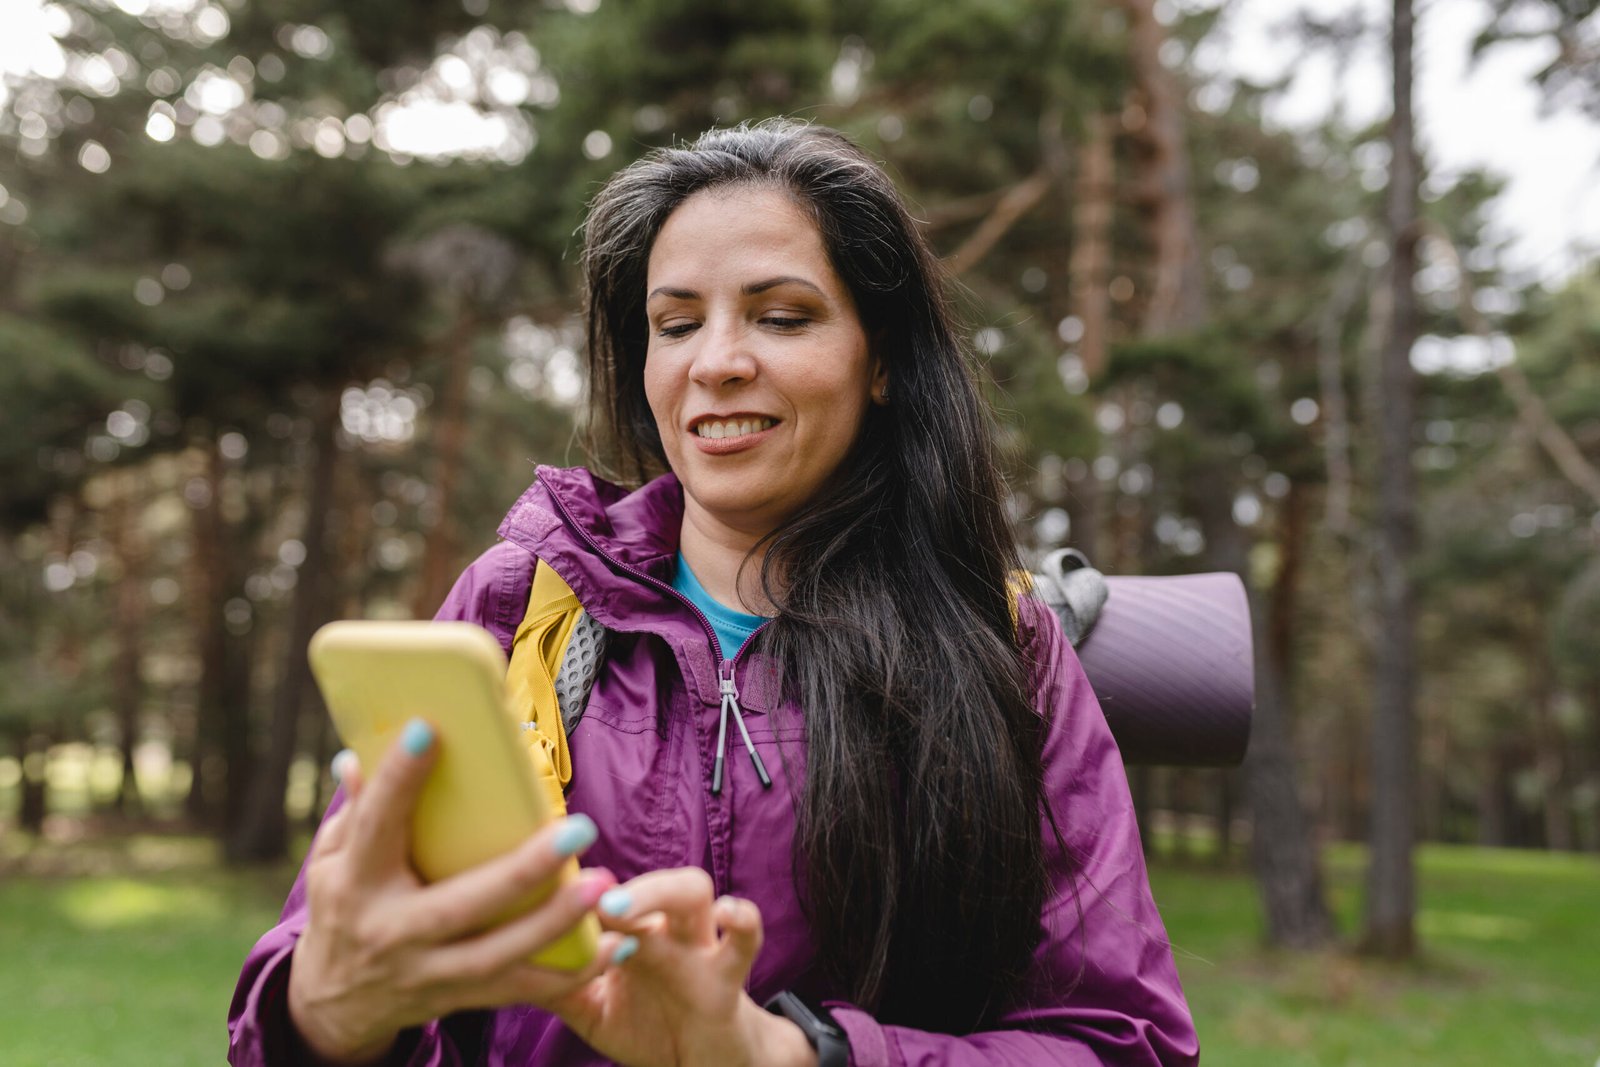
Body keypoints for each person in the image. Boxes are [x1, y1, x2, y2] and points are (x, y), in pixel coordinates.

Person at [228, 119, 1199, 1067]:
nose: (716, 360)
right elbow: (330, 973)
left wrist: (793, 1052)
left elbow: (1125, 1041)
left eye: (782, 316)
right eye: (676, 322)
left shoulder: (1003, 641)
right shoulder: (518, 602)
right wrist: (323, 1011)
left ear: (884, 360)